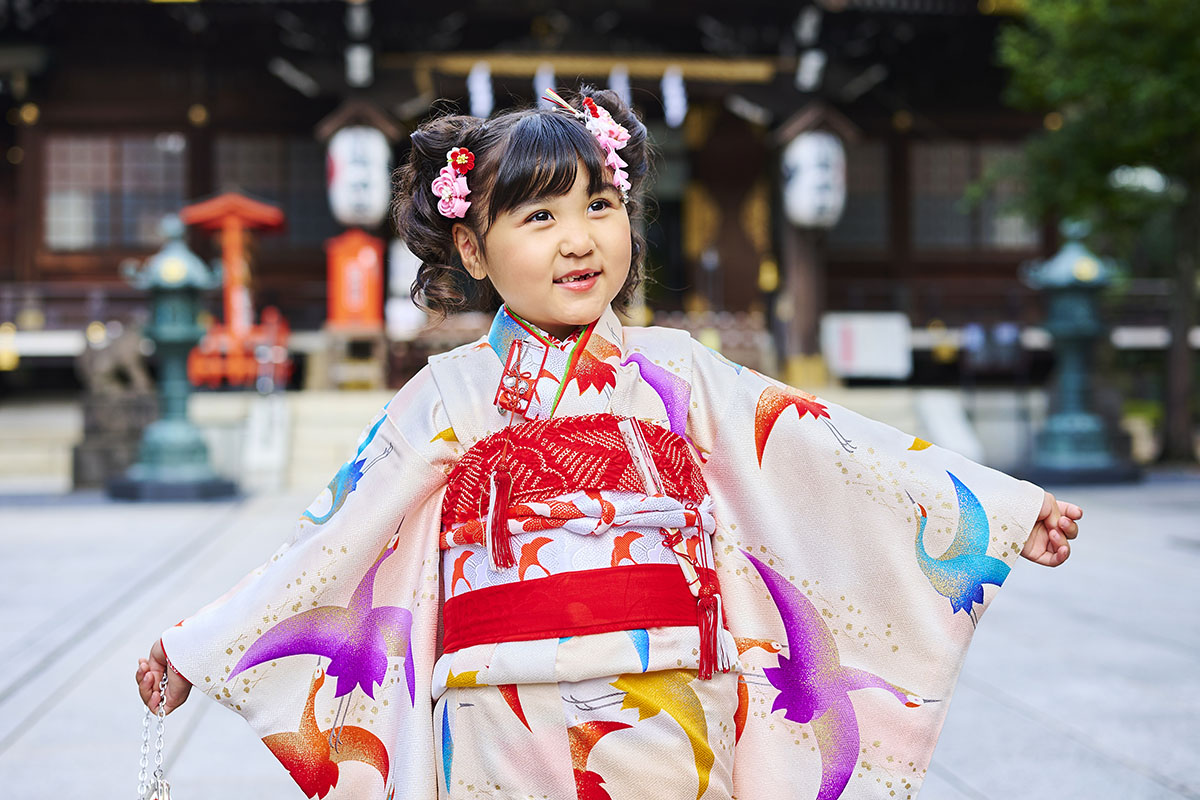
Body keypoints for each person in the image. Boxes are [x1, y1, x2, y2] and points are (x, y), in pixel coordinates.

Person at [136, 87, 1081, 800]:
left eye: (599, 206)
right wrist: (196, 643)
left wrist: (998, 510)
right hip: (500, 722)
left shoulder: (679, 371)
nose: (579, 239)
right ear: (474, 250)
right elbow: (334, 540)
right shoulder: (447, 395)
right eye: (539, 217)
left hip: (672, 711)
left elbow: (829, 451)